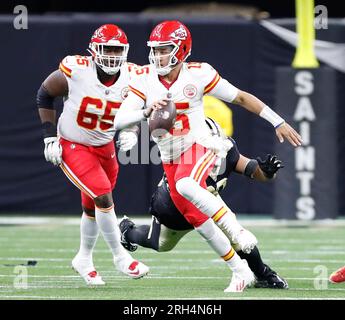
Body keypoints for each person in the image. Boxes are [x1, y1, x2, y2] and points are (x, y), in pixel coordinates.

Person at [114, 20, 302, 292]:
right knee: (170, 238)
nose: (158, 56)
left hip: (198, 146)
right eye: (155, 50)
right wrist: (142, 115)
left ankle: (243, 248)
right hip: (171, 161)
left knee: (187, 186)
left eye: (165, 49)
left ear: (181, 49)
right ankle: (129, 232)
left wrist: (277, 121)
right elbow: (120, 119)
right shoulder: (144, 78)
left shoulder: (199, 75)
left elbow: (239, 98)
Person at [36, 24, 148, 285]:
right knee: (103, 196)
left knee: (92, 206)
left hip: (105, 145)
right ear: (93, 50)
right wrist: (49, 136)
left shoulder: (132, 76)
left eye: (116, 49)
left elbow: (137, 107)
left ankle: (83, 258)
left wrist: (132, 130)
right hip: (74, 143)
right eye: (106, 48)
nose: (111, 54)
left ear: (125, 51)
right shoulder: (77, 70)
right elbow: (45, 93)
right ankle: (120, 257)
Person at [119, 118, 288, 289]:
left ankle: (263, 274)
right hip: (174, 206)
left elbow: (253, 170)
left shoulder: (226, 149)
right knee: (160, 244)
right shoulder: (185, 153)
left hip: (208, 200)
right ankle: (127, 231)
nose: (212, 148)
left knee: (237, 236)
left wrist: (267, 172)